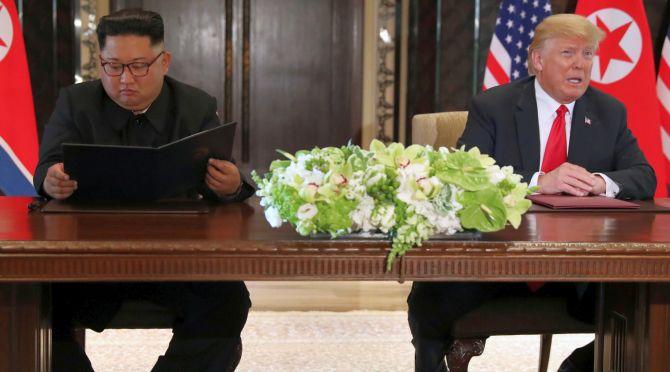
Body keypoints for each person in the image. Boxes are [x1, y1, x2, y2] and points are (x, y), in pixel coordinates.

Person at [407, 14, 656, 372]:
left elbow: (644, 177)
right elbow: (464, 178)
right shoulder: (492, 107)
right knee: (430, 293)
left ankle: (580, 365)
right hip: (499, 260)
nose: (580, 65)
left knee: (653, 300)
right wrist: (540, 181)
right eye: (568, 53)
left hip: (580, 267)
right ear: (538, 60)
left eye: (588, 54)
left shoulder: (608, 111)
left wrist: (601, 182)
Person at [33, 9, 255, 372]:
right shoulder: (75, 103)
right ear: (100, 61)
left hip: (175, 257)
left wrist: (231, 185)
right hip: (86, 258)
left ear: (163, 61)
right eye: (112, 66)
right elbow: (46, 168)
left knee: (228, 300)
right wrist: (50, 180)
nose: (125, 79)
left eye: (139, 66)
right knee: (28, 298)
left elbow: (224, 181)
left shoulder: (197, 106)